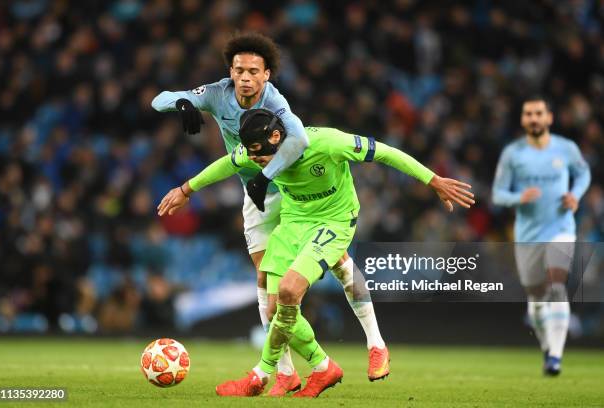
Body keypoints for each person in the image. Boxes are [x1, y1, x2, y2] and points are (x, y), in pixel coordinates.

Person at [157, 109, 475, 397]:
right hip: (294, 223)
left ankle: (263, 373)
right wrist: (187, 189)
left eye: (259, 155)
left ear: (277, 137)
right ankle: (322, 369)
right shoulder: (255, 150)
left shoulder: (325, 142)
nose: (256, 162)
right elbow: (227, 163)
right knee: (271, 309)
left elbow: (386, 153)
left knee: (289, 289)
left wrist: (431, 180)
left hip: (333, 221)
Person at [152, 32, 389, 393]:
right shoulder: (217, 94)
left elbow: (299, 142)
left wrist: (266, 176)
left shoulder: (276, 102)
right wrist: (184, 103)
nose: (245, 77)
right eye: (239, 70)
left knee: (339, 261)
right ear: (230, 72)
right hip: (256, 193)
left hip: (295, 194)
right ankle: (287, 370)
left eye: (252, 71)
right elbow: (159, 100)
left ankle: (375, 344)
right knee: (266, 283)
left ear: (266, 76)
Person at [492, 96, 591, 376]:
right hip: (527, 235)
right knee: (536, 300)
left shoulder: (566, 149)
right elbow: (498, 194)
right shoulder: (513, 154)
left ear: (549, 118)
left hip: (561, 229)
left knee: (556, 285)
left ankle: (556, 357)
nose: (534, 118)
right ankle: (547, 347)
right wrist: (518, 197)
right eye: (528, 114)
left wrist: (575, 195)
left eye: (538, 113)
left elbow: (583, 175)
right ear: (523, 120)